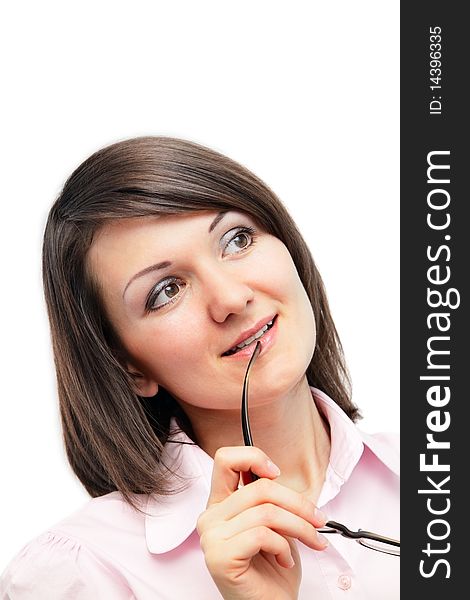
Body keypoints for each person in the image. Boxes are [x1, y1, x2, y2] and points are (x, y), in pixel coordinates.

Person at [0, 137, 399, 599]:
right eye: (166, 291)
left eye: (237, 239)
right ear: (128, 367)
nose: (231, 298)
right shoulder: (81, 570)